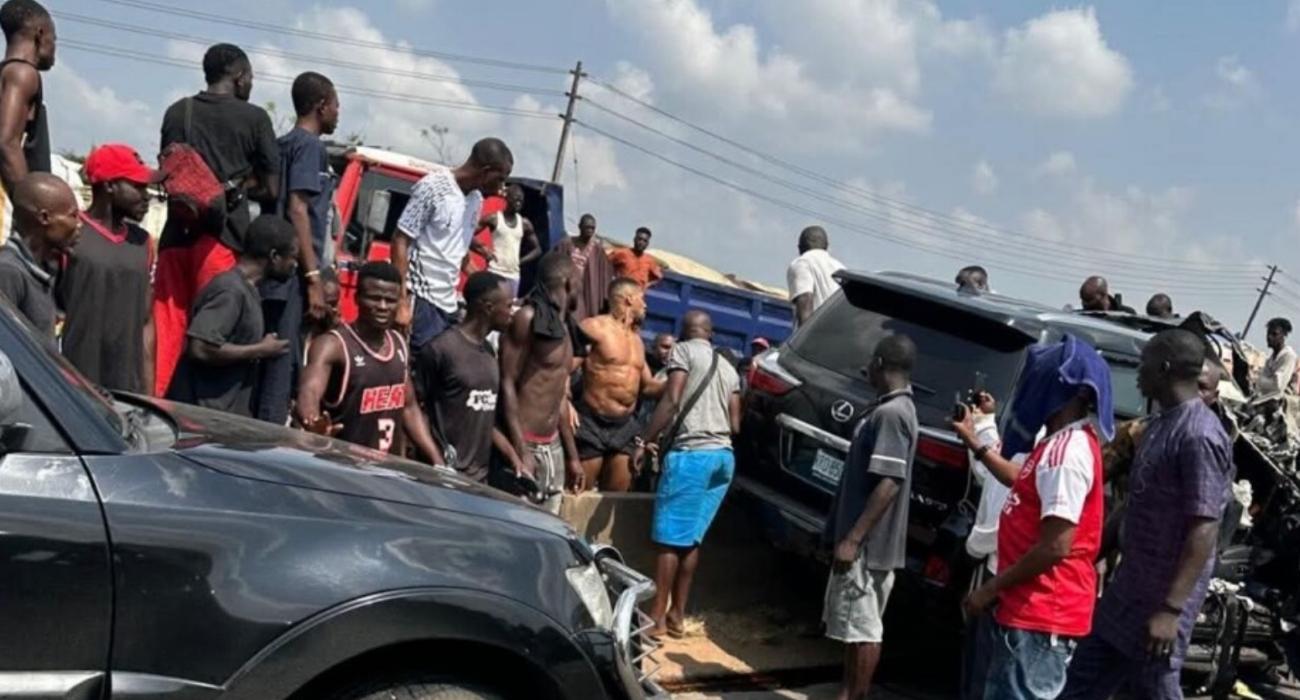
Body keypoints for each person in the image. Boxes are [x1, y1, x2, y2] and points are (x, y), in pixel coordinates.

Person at [1060, 330, 1234, 700]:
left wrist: (1170, 610)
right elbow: (1134, 504)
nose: (1138, 371)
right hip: (1127, 592)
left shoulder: (1200, 435)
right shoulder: (1157, 425)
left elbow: (1204, 528)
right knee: (1082, 682)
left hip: (1161, 601)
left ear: (1165, 368)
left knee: (1154, 688)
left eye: (1144, 363)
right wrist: (1083, 556)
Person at [953, 335, 1113, 700]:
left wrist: (990, 589)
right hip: (1027, 608)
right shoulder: (1055, 442)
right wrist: (974, 442)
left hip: (1043, 613)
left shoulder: (1066, 455)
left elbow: (1056, 546)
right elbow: (1018, 479)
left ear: (1059, 388)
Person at [154, 43, 280, 397]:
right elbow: (272, 188)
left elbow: (168, 170)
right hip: (222, 240)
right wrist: (240, 185)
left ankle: (157, 410)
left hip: (176, 236)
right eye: (251, 77)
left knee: (168, 333)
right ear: (240, 77)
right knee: (212, 334)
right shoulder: (255, 118)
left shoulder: (178, 111)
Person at [821, 334, 918, 700]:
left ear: (879, 364)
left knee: (864, 629)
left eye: (871, 364)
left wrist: (853, 538)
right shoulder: (887, 408)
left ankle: (855, 695)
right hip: (862, 543)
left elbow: (890, 482)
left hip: (868, 548)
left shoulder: (893, 415)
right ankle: (847, 692)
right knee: (852, 627)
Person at [636, 310, 741, 638]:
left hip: (692, 455)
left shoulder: (682, 351)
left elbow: (671, 397)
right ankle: (679, 615)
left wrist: (646, 440)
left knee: (668, 540)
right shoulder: (728, 367)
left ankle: (656, 618)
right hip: (723, 458)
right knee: (691, 538)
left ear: (684, 332)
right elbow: (736, 424)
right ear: (710, 334)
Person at [254, 71, 340, 425]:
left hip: (276, 271)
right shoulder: (309, 147)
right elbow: (298, 208)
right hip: (293, 273)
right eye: (336, 105)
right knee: (282, 364)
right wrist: (313, 276)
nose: (338, 113)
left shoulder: (282, 143)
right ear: (321, 107)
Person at [296, 261, 442, 462]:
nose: (382, 307)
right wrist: (312, 421)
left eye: (390, 300)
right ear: (357, 298)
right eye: (374, 298)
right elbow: (309, 390)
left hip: (384, 472)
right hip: (342, 467)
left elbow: (409, 407)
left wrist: (438, 462)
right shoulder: (334, 345)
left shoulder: (399, 343)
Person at [165, 215, 295, 417]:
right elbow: (200, 348)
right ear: (274, 256)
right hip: (199, 418)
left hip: (220, 417)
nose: (294, 265)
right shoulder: (231, 291)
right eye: (292, 257)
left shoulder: (248, 290)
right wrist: (260, 349)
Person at [392, 138, 513, 351]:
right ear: (486, 172)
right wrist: (401, 303)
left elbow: (460, 252)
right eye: (500, 178)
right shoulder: (433, 187)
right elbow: (400, 241)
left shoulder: (476, 200)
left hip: (448, 306)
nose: (502, 187)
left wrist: (496, 292)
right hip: (420, 300)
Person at [58, 144, 159, 394]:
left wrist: (148, 395)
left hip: (127, 393)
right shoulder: (71, 233)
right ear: (110, 186)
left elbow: (146, 322)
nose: (147, 196)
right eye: (137, 186)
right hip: (74, 388)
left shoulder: (142, 243)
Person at [499, 252, 585, 513]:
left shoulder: (563, 326)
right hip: (524, 446)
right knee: (513, 532)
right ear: (569, 282)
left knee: (545, 534)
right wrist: (520, 448)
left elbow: (558, 392)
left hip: (553, 447)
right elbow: (506, 382)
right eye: (580, 282)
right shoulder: (528, 318)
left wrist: (572, 456)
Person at [418, 271, 514, 482]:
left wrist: (514, 458)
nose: (512, 312)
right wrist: (437, 461)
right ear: (488, 307)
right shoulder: (441, 349)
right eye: (508, 305)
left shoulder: (489, 351)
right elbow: (418, 411)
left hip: (478, 481)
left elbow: (484, 416)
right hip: (443, 479)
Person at [576, 277, 665, 492]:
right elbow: (562, 369)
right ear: (628, 299)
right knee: (578, 497)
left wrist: (678, 384)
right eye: (642, 299)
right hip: (591, 422)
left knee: (616, 497)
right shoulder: (594, 327)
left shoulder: (637, 340)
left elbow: (647, 387)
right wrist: (565, 401)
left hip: (624, 425)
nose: (645, 305)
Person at [958, 390, 1007, 700]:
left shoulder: (1039, 444)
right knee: (977, 662)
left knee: (988, 671)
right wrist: (983, 421)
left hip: (1005, 576)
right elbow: (989, 467)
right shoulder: (1021, 433)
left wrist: (972, 547)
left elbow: (1004, 516)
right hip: (992, 568)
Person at [0, 172, 75, 341]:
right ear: (44, 218)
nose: (79, 225)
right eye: (73, 216)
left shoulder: (42, 270)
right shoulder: (9, 272)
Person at [0, 0, 53, 232]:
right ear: (40, 34)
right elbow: (7, 142)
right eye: (55, 39)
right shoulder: (23, 74)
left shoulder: (6, 73)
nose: (54, 48)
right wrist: (32, 209)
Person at [472, 183, 539, 297]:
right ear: (507, 198)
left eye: (521, 201)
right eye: (516, 199)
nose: (518, 203)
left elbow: (537, 249)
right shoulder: (494, 218)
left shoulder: (524, 223)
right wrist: (483, 251)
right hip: (494, 271)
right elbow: (468, 235)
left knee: (507, 309)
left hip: (513, 276)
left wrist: (520, 261)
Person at [554, 213, 614, 322]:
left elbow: (606, 275)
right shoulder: (566, 244)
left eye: (592, 228)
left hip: (586, 292)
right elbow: (555, 264)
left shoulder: (597, 250)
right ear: (579, 226)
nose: (590, 230)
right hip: (567, 289)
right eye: (587, 227)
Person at [787, 225, 845, 327]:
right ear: (826, 246)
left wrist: (803, 341)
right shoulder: (841, 268)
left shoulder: (802, 263)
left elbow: (805, 300)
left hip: (817, 338)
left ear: (799, 248)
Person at [1257, 317, 1296, 397]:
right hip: (1264, 400)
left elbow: (1277, 385)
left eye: (1274, 334)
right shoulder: (1270, 359)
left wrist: (1259, 381)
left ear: (1283, 336)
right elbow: (1262, 384)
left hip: (1276, 404)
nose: (1269, 337)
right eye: (1268, 333)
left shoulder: (1288, 356)